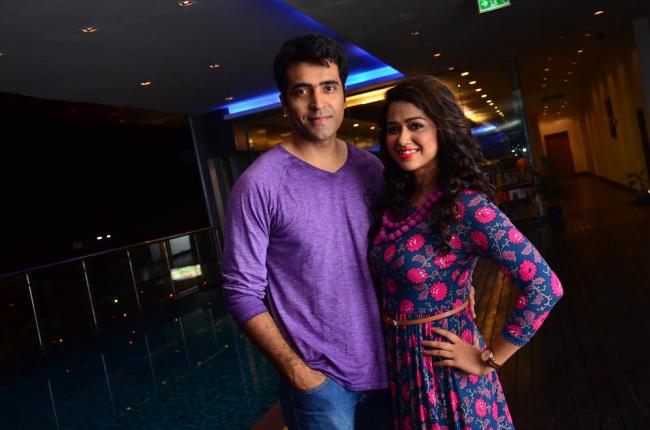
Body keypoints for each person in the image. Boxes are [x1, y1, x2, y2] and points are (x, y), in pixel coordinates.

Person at [368, 75, 564, 429]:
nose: (402, 138)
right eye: (393, 129)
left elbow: (544, 286)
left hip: (448, 375)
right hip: (404, 370)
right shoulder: (396, 204)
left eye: (415, 125)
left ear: (442, 129)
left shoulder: (466, 206)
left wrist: (489, 360)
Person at [221, 33, 390, 429]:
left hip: (391, 368)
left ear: (344, 95)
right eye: (302, 91)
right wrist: (300, 374)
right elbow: (240, 290)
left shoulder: (373, 171)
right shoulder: (260, 184)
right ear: (285, 103)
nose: (317, 103)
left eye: (328, 87)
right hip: (321, 387)